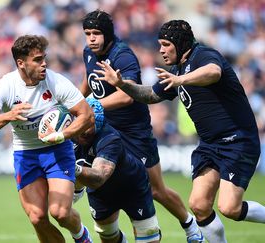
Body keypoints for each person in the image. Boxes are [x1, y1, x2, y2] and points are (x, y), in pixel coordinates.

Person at [96, 19, 265, 243]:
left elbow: (214, 72)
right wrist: (122, 84)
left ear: (179, 42)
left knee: (229, 208)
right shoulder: (176, 71)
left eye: (166, 44)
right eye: (160, 44)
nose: (161, 50)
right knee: (199, 205)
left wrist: (181, 80)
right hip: (209, 144)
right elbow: (150, 95)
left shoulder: (203, 55)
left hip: (237, 141)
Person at [79, 10, 202, 242]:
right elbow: (89, 80)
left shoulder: (122, 56)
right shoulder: (88, 52)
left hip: (134, 133)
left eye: (96, 33)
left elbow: (128, 96)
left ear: (106, 33)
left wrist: (91, 106)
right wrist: (76, 102)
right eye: (87, 33)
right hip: (106, 131)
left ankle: (190, 226)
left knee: (156, 190)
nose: (91, 38)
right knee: (104, 182)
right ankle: (112, 232)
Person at [0, 35, 94, 243]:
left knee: (60, 213)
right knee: (37, 218)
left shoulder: (56, 82)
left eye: (44, 58)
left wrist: (62, 135)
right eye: (38, 59)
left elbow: (86, 115)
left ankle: (81, 236)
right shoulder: (5, 87)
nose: (44, 63)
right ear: (21, 63)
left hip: (57, 151)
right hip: (26, 153)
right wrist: (8, 115)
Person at [74, 97, 161, 243]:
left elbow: (99, 177)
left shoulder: (109, 138)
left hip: (131, 186)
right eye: (81, 123)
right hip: (100, 193)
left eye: (89, 124)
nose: (84, 130)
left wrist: (72, 168)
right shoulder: (67, 135)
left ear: (98, 122)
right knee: (108, 236)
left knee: (148, 233)